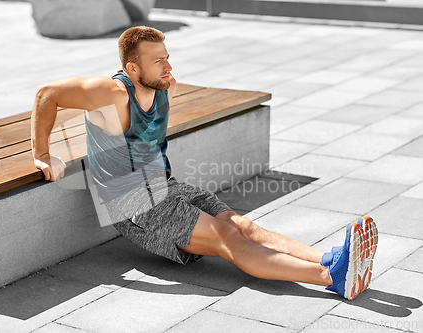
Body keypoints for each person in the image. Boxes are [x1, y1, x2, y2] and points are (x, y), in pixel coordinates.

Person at [30, 26, 377, 300]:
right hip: (133, 202)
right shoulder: (111, 92)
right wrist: (43, 154)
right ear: (131, 68)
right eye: (158, 61)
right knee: (228, 237)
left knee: (242, 225)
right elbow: (47, 94)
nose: (168, 67)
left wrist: (162, 78)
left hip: (165, 184)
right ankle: (331, 278)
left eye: (167, 57)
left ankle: (327, 259)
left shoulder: (161, 84)